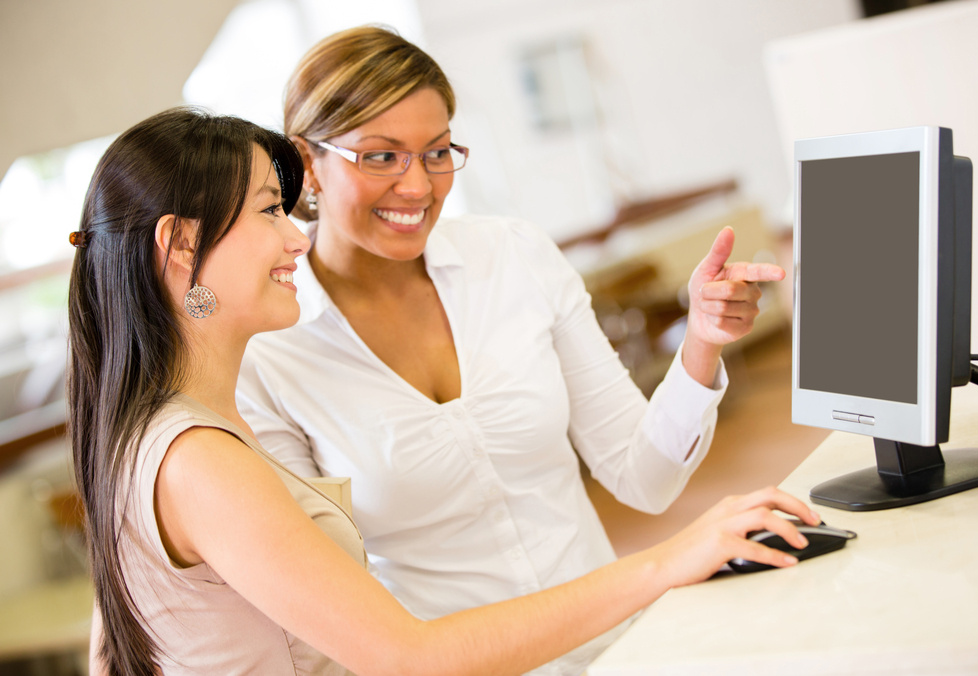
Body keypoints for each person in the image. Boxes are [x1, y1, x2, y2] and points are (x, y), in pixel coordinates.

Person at [73, 106, 819, 676]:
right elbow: (410, 657)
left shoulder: (166, 430)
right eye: (272, 210)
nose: (295, 237)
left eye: (438, 152)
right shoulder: (198, 456)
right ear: (178, 247)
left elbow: (115, 646)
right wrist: (670, 559)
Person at [235, 25, 787, 675]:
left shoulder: (514, 255)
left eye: (437, 151)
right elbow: (329, 607)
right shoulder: (267, 352)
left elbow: (644, 477)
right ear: (306, 162)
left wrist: (701, 343)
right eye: (381, 156)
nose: (417, 187)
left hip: (618, 649)